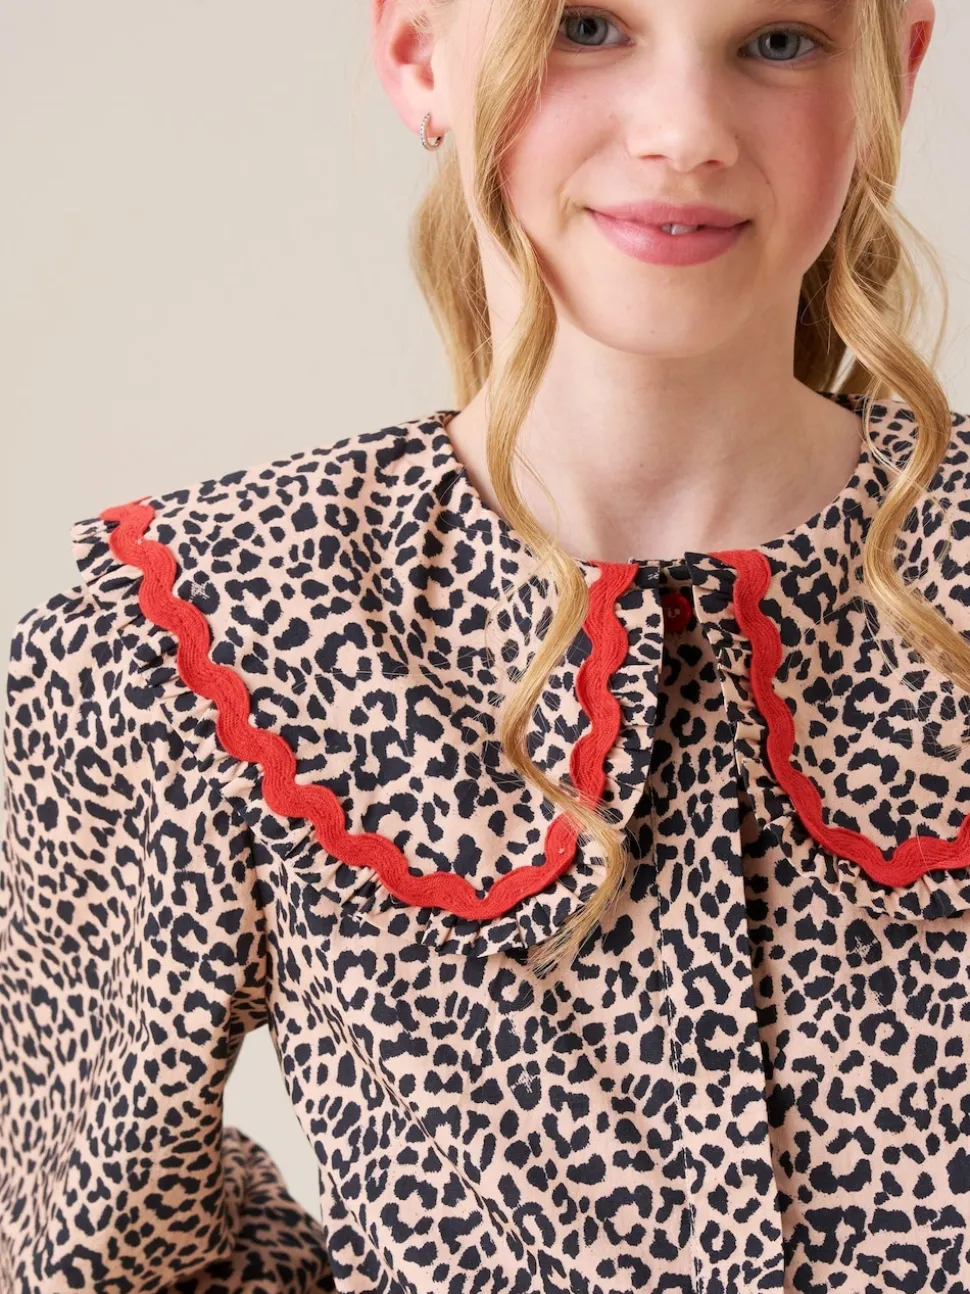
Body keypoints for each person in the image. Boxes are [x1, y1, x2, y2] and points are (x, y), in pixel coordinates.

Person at [3, 0, 967, 1290]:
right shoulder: (193, 642)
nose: (686, 132)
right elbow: (87, 1249)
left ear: (893, 74)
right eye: (586, 25)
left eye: (779, 40)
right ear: (419, 56)